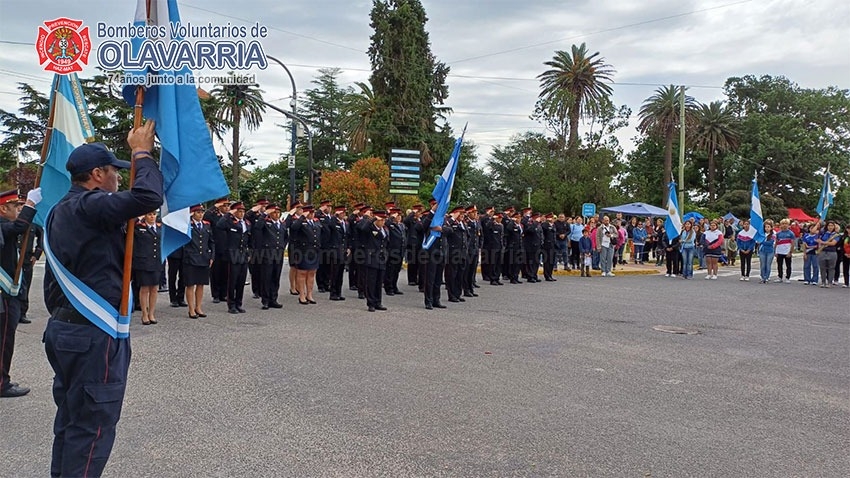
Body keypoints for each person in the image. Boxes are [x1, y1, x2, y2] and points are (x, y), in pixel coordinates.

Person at [43, 123, 163, 475]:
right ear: (97, 174)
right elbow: (148, 198)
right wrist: (142, 153)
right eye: (114, 172)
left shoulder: (61, 209)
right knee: (92, 428)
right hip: (91, 335)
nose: (117, 179)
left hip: (66, 330)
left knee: (71, 421)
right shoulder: (91, 205)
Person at [0, 189, 39, 398]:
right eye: (16, 207)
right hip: (3, 296)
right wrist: (31, 206)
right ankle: (1, 383)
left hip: (8, 295)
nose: (19, 210)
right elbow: (18, 227)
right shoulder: (2, 225)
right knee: (4, 340)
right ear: (3, 208)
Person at [217, 201, 252, 313]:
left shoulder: (246, 223)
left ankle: (239, 303)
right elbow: (219, 225)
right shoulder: (229, 221)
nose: (241, 214)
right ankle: (231, 304)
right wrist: (229, 214)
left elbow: (248, 239)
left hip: (243, 254)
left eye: (243, 211)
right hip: (232, 255)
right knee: (232, 281)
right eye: (239, 211)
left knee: (241, 281)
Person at [253, 203, 287, 310]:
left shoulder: (282, 224)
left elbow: (285, 237)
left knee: (275, 277)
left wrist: (282, 247)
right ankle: (265, 300)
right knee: (266, 277)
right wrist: (264, 214)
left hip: (278, 253)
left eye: (278, 212)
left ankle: (273, 299)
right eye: (274, 212)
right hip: (267, 253)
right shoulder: (265, 223)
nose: (276, 215)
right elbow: (257, 228)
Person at [183, 204, 214, 318]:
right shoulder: (187, 225)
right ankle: (191, 309)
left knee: (201, 284)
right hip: (191, 258)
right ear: (192, 213)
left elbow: (211, 242)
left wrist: (211, 256)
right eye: (198, 212)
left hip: (203, 258)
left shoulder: (207, 225)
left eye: (202, 212)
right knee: (190, 284)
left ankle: (198, 307)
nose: (200, 214)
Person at [132, 211, 162, 325]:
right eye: (149, 214)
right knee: (144, 289)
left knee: (154, 288)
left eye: (154, 214)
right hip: (143, 262)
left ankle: (151, 313)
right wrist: (138, 217)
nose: (152, 217)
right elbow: (127, 226)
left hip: (156, 261)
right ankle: (144, 313)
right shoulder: (139, 227)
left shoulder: (159, 227)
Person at [417, 199, 446, 309]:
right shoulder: (427, 217)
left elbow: (450, 230)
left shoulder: (443, 218)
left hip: (441, 252)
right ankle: (428, 301)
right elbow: (421, 227)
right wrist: (432, 212)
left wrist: (441, 229)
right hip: (430, 252)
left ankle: (436, 300)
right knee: (430, 278)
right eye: (435, 205)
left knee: (438, 279)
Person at [358, 209, 389, 311]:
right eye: (381, 220)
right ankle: (371, 303)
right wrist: (373, 219)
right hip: (372, 258)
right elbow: (362, 228)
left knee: (379, 282)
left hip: (381, 258)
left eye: (384, 220)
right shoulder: (370, 228)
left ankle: (378, 302)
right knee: (371, 282)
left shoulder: (384, 229)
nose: (383, 222)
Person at [290, 204, 321, 304]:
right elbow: (294, 228)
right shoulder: (300, 222)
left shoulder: (316, 222)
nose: (312, 214)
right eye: (310, 213)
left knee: (312, 273)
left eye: (313, 212)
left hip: (314, 251)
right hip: (303, 251)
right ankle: (302, 295)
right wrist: (302, 217)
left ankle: (309, 294)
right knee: (302, 273)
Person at [205, 198, 230, 303]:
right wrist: (214, 207)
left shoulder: (229, 216)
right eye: (224, 205)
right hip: (216, 246)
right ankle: (215, 294)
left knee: (226, 272)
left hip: (227, 247)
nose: (227, 208)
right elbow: (206, 216)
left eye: (228, 205)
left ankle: (224, 294)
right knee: (215, 272)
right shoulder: (212, 215)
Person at [19, 222, 43, 324]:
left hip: (26, 259)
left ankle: (22, 312)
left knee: (25, 287)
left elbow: (42, 237)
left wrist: (36, 254)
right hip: (11, 258)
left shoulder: (33, 223)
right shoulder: (12, 221)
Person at [327, 205, 350, 301]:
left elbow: (347, 236)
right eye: (342, 213)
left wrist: (348, 247)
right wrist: (334, 216)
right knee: (334, 273)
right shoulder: (333, 222)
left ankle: (339, 292)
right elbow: (329, 224)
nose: (344, 214)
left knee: (340, 273)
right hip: (335, 250)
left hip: (343, 250)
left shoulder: (345, 223)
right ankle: (333, 293)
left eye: (344, 213)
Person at [385, 207, 406, 296]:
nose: (399, 217)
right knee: (390, 271)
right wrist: (391, 218)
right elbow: (386, 223)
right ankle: (389, 287)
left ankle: (394, 286)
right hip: (392, 251)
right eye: (397, 215)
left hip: (400, 251)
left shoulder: (401, 225)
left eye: (400, 215)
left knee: (396, 271)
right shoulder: (390, 225)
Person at [815, 220, 840, 288]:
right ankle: (823, 282)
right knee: (822, 268)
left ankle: (830, 282)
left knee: (831, 268)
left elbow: (833, 243)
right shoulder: (823, 233)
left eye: (832, 226)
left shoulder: (836, 234)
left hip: (832, 252)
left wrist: (823, 242)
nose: (830, 227)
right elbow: (818, 240)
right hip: (823, 251)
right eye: (829, 225)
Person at [774, 219, 795, 283]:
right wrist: (775, 251)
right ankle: (780, 277)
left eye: (786, 224)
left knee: (788, 265)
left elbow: (793, 243)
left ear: (788, 225)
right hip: (780, 251)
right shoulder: (778, 233)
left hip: (787, 252)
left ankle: (787, 277)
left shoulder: (791, 233)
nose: (784, 225)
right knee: (779, 265)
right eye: (783, 224)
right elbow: (776, 243)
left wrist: (790, 252)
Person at [541, 213, 557, 281]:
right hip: (547, 245)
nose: (553, 219)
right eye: (552, 218)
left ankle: (550, 274)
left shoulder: (553, 225)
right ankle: (547, 275)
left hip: (553, 245)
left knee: (551, 261)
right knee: (547, 261)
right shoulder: (545, 225)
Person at [838, 223, 850, 288]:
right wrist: (844, 253)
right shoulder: (843, 236)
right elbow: (840, 246)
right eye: (848, 228)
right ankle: (846, 282)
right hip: (845, 254)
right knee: (845, 269)